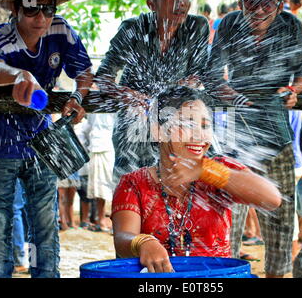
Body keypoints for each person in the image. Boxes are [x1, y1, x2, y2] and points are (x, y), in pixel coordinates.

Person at [0, 0, 93, 278]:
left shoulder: (61, 30)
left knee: (44, 227)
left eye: (48, 8)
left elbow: (84, 71)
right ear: (15, 9)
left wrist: (78, 96)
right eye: (31, 9)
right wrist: (18, 74)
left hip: (42, 142)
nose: (41, 17)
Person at [112, 86, 281, 273]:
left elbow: (271, 198)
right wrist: (143, 242)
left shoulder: (217, 170)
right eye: (187, 124)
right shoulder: (134, 183)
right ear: (158, 131)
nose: (200, 135)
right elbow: (122, 238)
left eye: (205, 126)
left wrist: (206, 171)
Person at [206, 0, 302, 278]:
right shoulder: (228, 24)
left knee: (279, 225)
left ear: (280, 5)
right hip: (233, 141)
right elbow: (213, 76)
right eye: (251, 2)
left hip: (278, 136)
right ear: (240, 2)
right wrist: (237, 98)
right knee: (229, 224)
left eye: (268, 3)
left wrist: (294, 91)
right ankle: (227, 274)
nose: (259, 9)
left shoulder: (290, 24)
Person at [95, 0, 209, 185]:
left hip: (176, 125)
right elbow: (103, 77)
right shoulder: (133, 29)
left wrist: (172, 95)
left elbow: (199, 75)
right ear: (151, 4)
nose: (180, 3)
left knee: (175, 191)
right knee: (131, 189)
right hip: (134, 124)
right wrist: (131, 97)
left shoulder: (197, 26)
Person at [81, 112, 116, 233]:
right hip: (97, 147)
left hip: (105, 147)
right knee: (98, 187)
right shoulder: (94, 109)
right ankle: (100, 219)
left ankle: (106, 219)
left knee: (106, 186)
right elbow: (87, 127)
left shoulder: (111, 105)